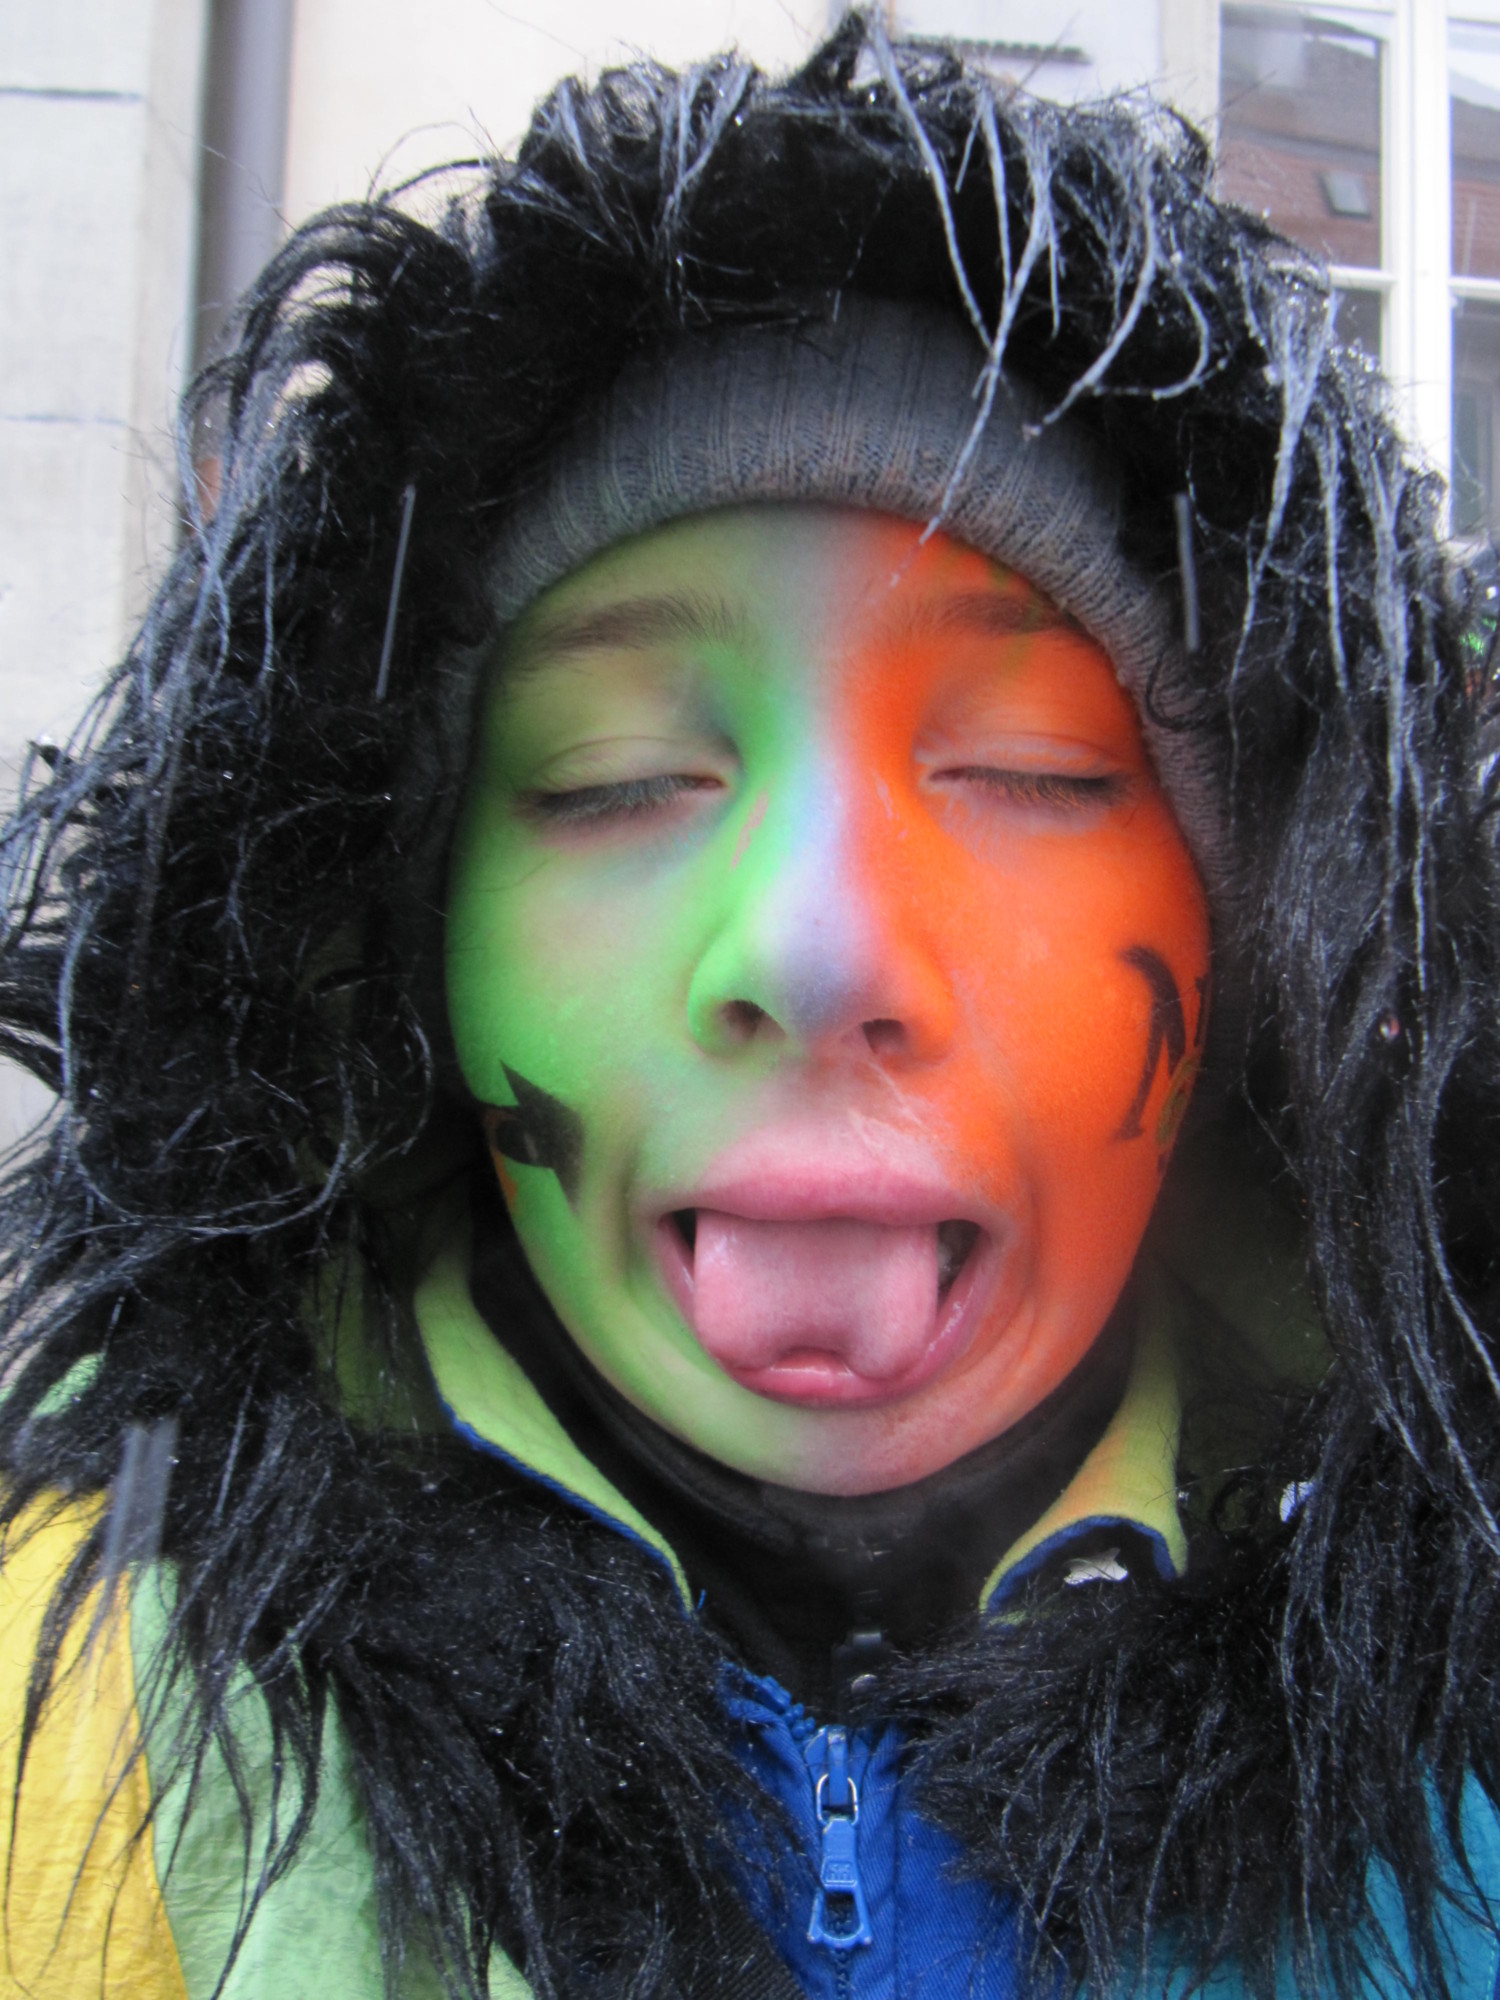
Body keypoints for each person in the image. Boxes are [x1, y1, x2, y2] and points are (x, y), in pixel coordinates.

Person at [2, 14, 1499, 1998]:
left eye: (1034, 769)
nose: (816, 948)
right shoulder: (76, 1748)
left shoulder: (1463, 1764)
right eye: (615, 776)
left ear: (1251, 962)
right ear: (411, 950)